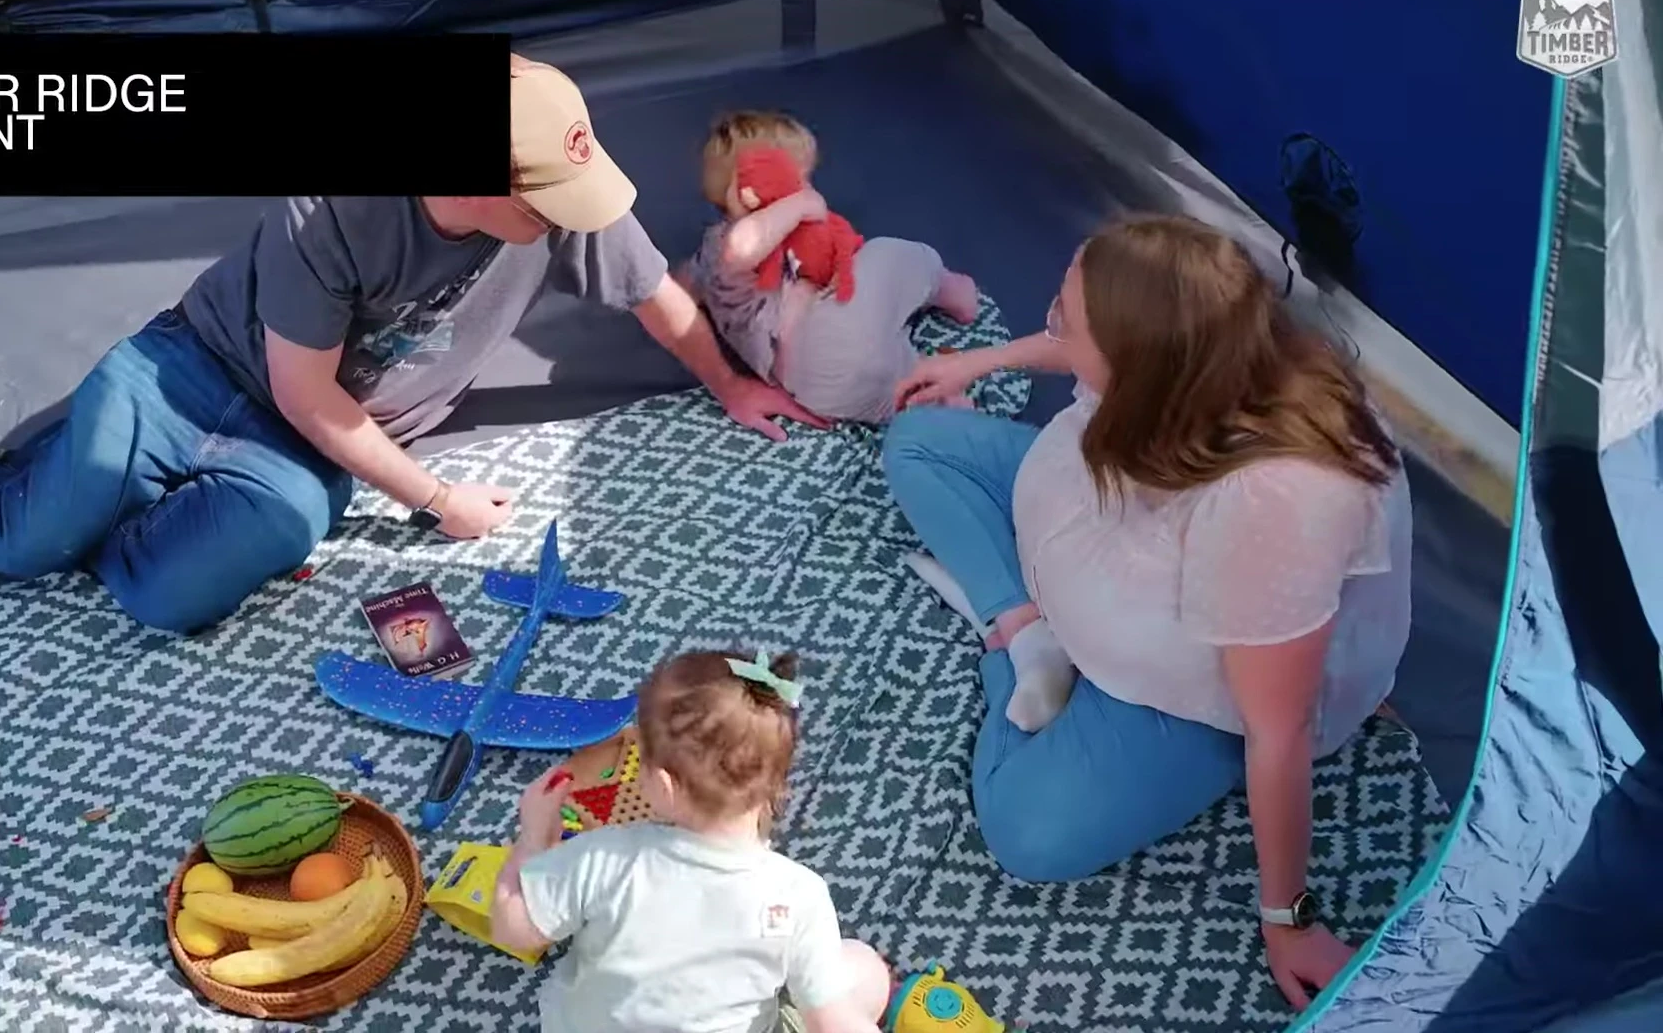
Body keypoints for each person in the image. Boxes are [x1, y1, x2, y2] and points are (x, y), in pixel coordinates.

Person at [0, 54, 826, 634]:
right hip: (193, 375)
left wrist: (732, 385)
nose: (572, 213)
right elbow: (305, 392)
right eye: (547, 195)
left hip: (303, 449)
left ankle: (83, 496)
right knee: (24, 538)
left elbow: (655, 297)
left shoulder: (561, 205)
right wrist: (441, 502)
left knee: (167, 596)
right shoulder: (338, 200)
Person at [883, 213, 1414, 1011]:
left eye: (1067, 319)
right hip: (1114, 513)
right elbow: (1088, 341)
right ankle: (1027, 633)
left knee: (1030, 834)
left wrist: (1289, 920)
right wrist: (981, 358)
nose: (1052, 325)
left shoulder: (1278, 505)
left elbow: (1279, 730)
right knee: (919, 441)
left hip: (1203, 683)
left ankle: (1012, 643)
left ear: (1140, 367)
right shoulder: (1203, 345)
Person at [489, 649, 892, 1033]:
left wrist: (533, 839)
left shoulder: (602, 857)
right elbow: (832, 1024)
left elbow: (513, 929)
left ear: (662, 784)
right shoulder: (800, 896)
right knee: (864, 971)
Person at [673, 110, 982, 425]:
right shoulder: (728, 246)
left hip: (818, 393)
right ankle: (949, 288)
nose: (808, 189)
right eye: (799, 181)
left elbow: (679, 288)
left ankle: (939, 402)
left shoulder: (708, 264)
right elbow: (741, 247)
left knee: (895, 373)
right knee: (885, 254)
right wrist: (801, 205)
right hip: (824, 348)